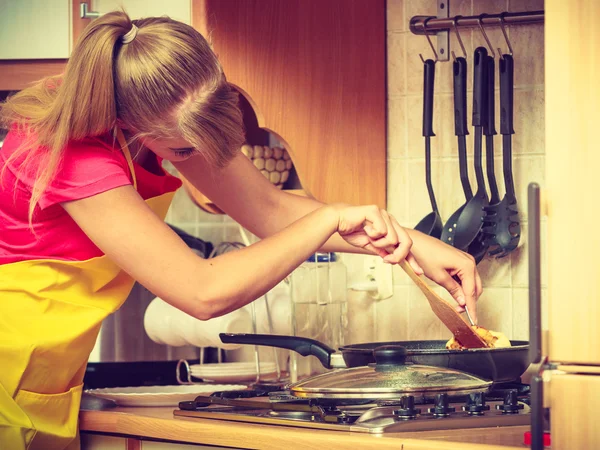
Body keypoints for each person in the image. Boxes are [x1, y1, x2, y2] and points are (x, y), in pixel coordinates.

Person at [0, 11, 481, 450]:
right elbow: (202, 291)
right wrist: (330, 218)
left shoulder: (154, 98)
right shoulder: (68, 150)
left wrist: (416, 242)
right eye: (182, 152)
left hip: (48, 374)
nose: (190, 160)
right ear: (127, 124)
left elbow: (269, 209)